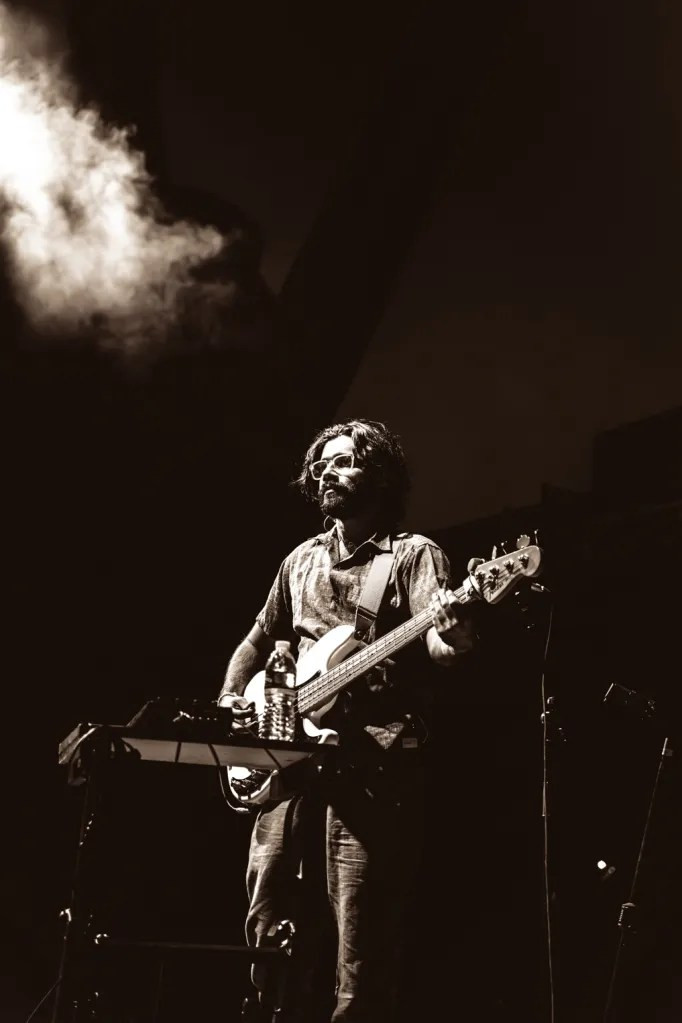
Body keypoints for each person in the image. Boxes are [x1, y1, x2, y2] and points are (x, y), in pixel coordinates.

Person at [218, 419, 475, 1023]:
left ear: (379, 476)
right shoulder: (300, 560)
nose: (326, 473)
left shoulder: (413, 556)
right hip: (287, 756)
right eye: (321, 465)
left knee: (359, 944)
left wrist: (457, 634)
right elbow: (257, 640)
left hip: (371, 770)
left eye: (343, 462)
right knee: (268, 920)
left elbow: (439, 649)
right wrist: (233, 706)